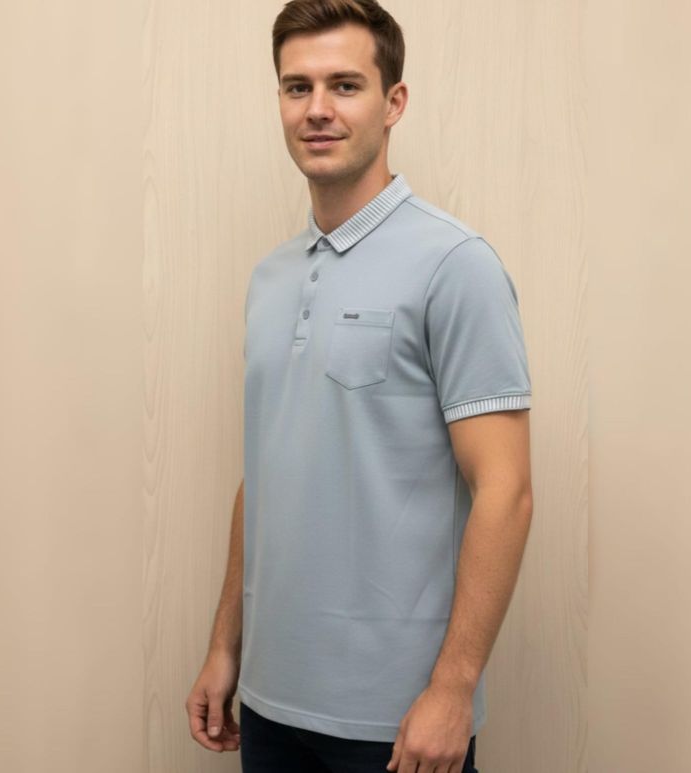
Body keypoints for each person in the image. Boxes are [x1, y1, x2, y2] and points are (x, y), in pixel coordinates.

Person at [186, 1, 534, 770]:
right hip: (270, 704)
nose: (317, 109)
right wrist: (225, 645)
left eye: (345, 85)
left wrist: (453, 687)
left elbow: (506, 490)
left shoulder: (457, 265)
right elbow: (266, 472)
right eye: (297, 87)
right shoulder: (270, 278)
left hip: (399, 720)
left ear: (393, 102)